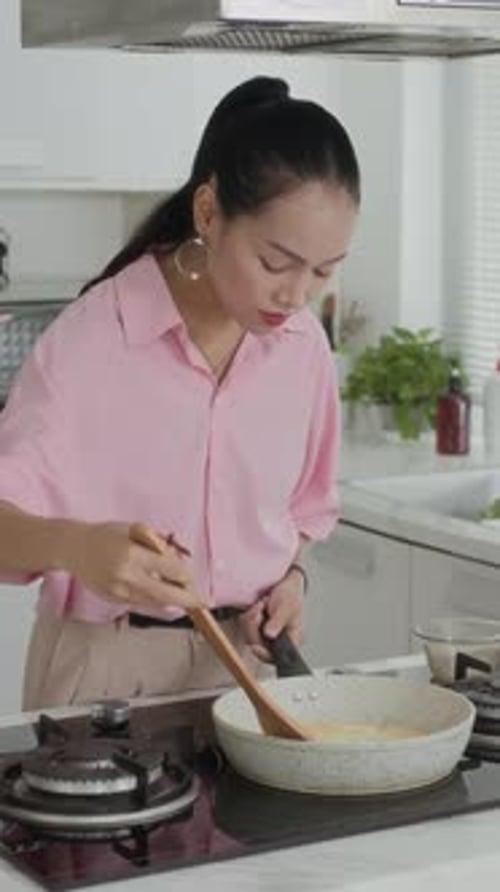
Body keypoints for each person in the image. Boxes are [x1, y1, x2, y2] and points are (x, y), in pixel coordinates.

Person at [0, 76, 360, 709]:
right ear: (207, 214)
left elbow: (304, 509)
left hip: (246, 671)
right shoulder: (94, 340)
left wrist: (290, 579)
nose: (297, 296)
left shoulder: (303, 348)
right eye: (276, 263)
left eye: (324, 271)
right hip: (105, 672)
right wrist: (79, 548)